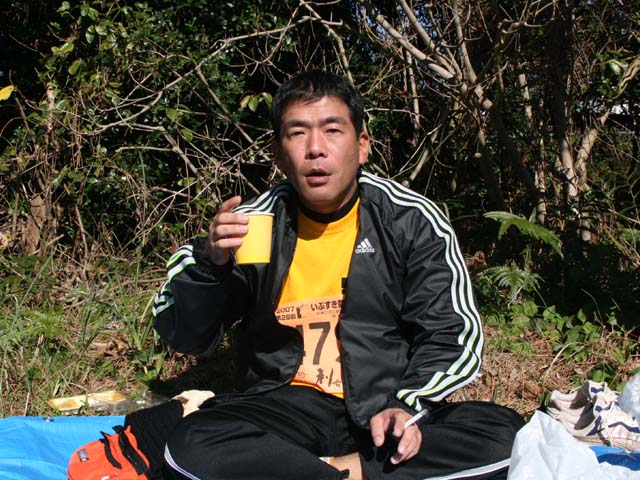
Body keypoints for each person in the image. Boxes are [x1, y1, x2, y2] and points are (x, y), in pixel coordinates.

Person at [152, 70, 524, 480]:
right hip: (283, 409)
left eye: (332, 130)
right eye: (297, 133)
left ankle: (323, 472)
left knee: (506, 436)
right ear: (278, 153)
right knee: (187, 444)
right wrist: (212, 265)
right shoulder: (250, 225)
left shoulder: (410, 220)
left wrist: (408, 404)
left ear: (362, 146)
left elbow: (451, 334)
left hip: (382, 411)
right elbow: (186, 336)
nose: (315, 149)